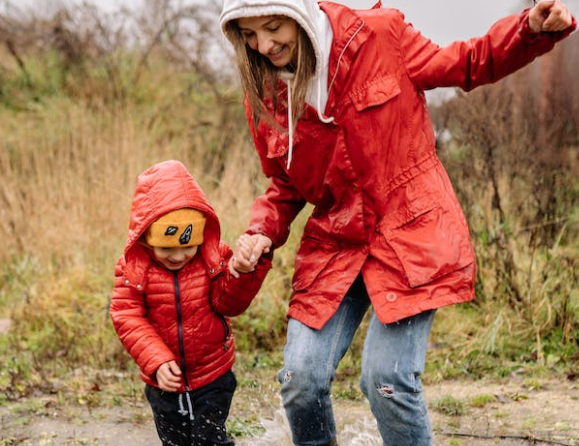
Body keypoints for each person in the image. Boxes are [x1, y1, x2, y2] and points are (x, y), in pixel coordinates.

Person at [219, 0, 576, 445]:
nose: (264, 46)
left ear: (301, 15)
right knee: (300, 379)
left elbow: (466, 63)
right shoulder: (267, 95)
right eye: (250, 36)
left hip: (410, 232)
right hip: (337, 243)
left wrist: (530, 31)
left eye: (273, 28)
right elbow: (284, 186)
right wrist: (259, 233)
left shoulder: (380, 36)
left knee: (386, 381)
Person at [109, 160, 271, 446]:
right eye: (166, 248)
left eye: (187, 245)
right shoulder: (134, 270)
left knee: (210, 440)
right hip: (162, 382)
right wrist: (156, 361)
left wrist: (243, 273)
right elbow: (127, 316)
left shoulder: (212, 258)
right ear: (146, 239)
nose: (178, 256)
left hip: (213, 375)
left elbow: (229, 304)